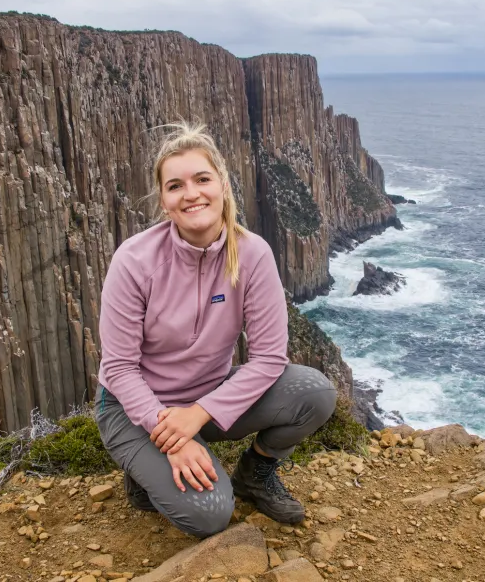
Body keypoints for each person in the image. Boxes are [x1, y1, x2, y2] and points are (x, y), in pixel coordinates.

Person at [94, 122, 338, 538]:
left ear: (222, 184)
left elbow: (268, 360)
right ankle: (142, 471)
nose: (191, 194)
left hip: (207, 400)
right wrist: (168, 433)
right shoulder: (134, 261)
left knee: (314, 392)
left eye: (202, 179)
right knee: (209, 516)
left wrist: (198, 415)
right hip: (133, 410)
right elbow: (118, 369)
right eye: (175, 186)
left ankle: (255, 474)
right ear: (164, 201)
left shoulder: (253, 254)